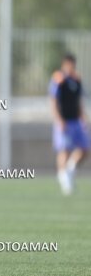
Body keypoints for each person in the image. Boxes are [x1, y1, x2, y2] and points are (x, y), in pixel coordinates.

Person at [49, 53, 89, 195]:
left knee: (85, 148)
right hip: (64, 121)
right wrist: (59, 120)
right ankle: (63, 178)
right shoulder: (59, 79)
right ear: (65, 64)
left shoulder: (76, 79)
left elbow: (79, 101)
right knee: (64, 150)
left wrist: (83, 117)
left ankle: (70, 170)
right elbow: (54, 101)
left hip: (76, 121)